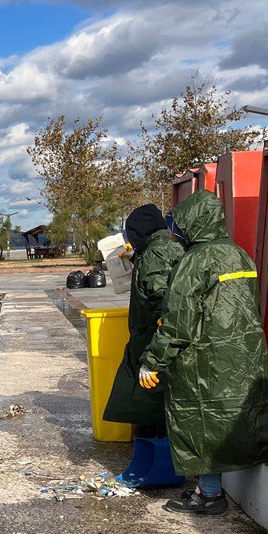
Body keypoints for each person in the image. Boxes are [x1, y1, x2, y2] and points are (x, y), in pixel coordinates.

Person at [139, 190, 268, 515]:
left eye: (180, 224)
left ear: (193, 223)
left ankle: (210, 495)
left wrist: (152, 361)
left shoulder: (193, 262)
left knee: (201, 418)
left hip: (203, 357)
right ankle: (214, 488)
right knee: (234, 414)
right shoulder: (240, 255)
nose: (176, 231)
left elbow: (178, 323)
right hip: (243, 353)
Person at [102, 203, 185, 487]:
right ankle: (152, 450)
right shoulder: (166, 248)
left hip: (152, 341)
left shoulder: (154, 255)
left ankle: (159, 460)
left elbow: (162, 296)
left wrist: (157, 346)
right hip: (154, 341)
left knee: (146, 398)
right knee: (146, 398)